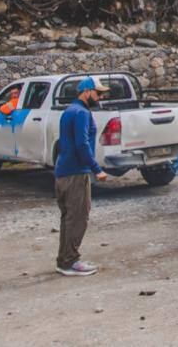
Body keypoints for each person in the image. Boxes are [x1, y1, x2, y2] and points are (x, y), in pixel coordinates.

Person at [54, 76, 109, 276]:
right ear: (86, 92)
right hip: (76, 172)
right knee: (78, 217)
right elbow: (82, 144)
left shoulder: (69, 111)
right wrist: (96, 168)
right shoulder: (81, 113)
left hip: (63, 171)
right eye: (98, 92)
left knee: (68, 217)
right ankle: (70, 261)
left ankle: (64, 259)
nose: (101, 96)